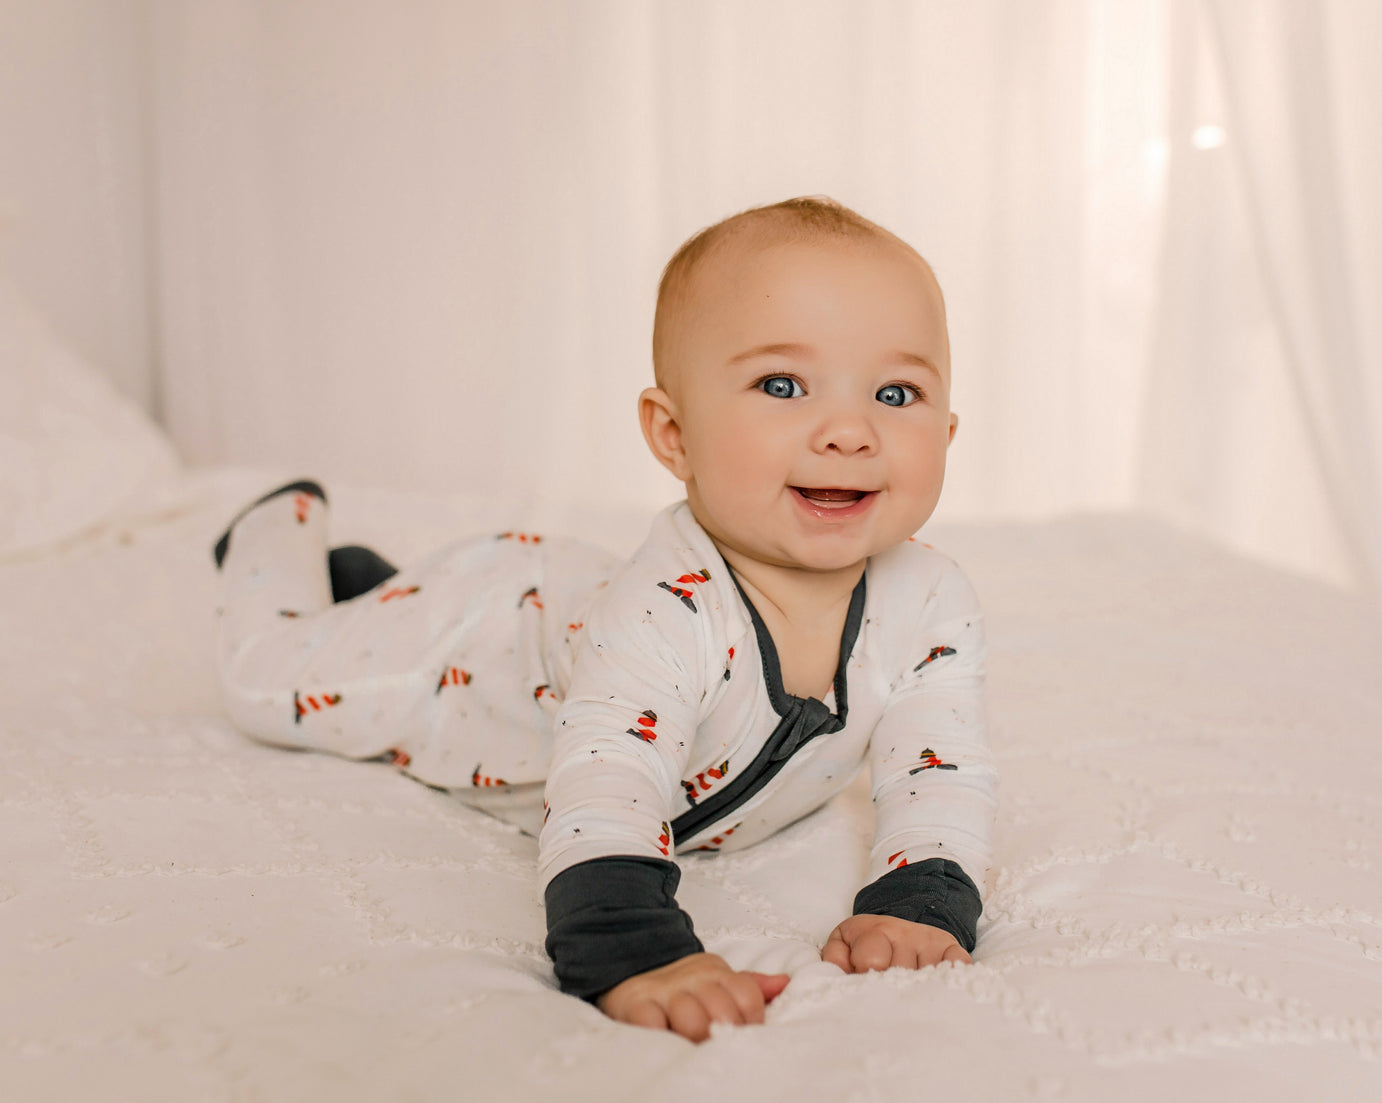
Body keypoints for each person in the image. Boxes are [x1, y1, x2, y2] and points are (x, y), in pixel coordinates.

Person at [212, 196, 997, 1043]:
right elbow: (608, 780)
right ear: (674, 434)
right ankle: (276, 528)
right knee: (264, 682)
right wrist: (629, 945)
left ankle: (369, 589)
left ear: (947, 432)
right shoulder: (664, 615)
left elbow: (939, 770)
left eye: (895, 391)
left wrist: (921, 902)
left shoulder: (930, 602)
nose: (849, 429)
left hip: (573, 609)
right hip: (476, 641)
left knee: (386, 620)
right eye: (781, 384)